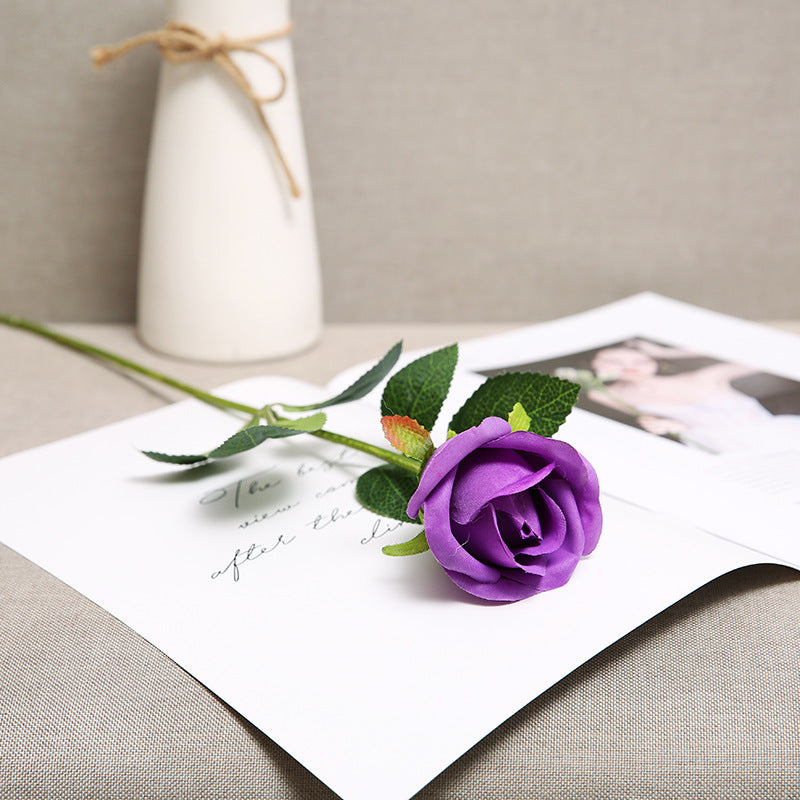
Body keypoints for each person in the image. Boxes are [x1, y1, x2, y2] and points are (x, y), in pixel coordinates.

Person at [584, 340, 800, 454]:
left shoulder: (706, 376)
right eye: (614, 361)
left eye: (639, 361)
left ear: (655, 362)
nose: (628, 368)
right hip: (707, 448)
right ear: (593, 364)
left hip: (777, 438)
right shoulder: (604, 394)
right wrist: (668, 425)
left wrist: (666, 352)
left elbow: (766, 351)